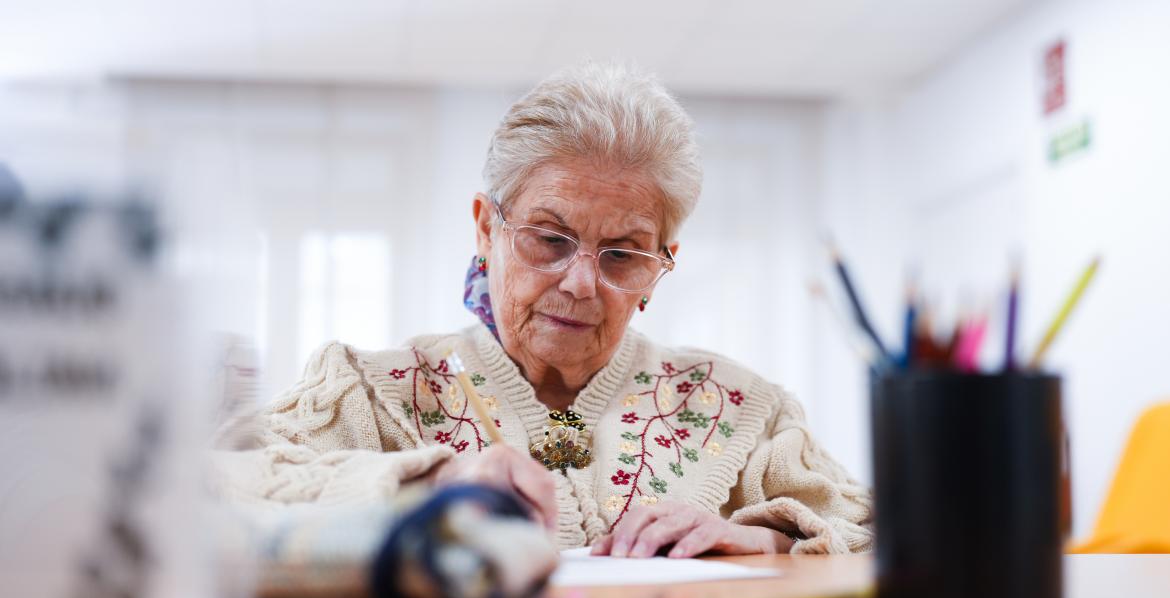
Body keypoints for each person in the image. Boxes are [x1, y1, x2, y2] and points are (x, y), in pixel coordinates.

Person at [211, 62, 872, 557]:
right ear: (485, 229)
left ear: (660, 266)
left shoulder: (736, 407)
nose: (582, 283)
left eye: (622, 254)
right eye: (550, 240)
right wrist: (431, 477)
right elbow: (217, 485)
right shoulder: (371, 391)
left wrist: (761, 542)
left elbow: (884, 536)